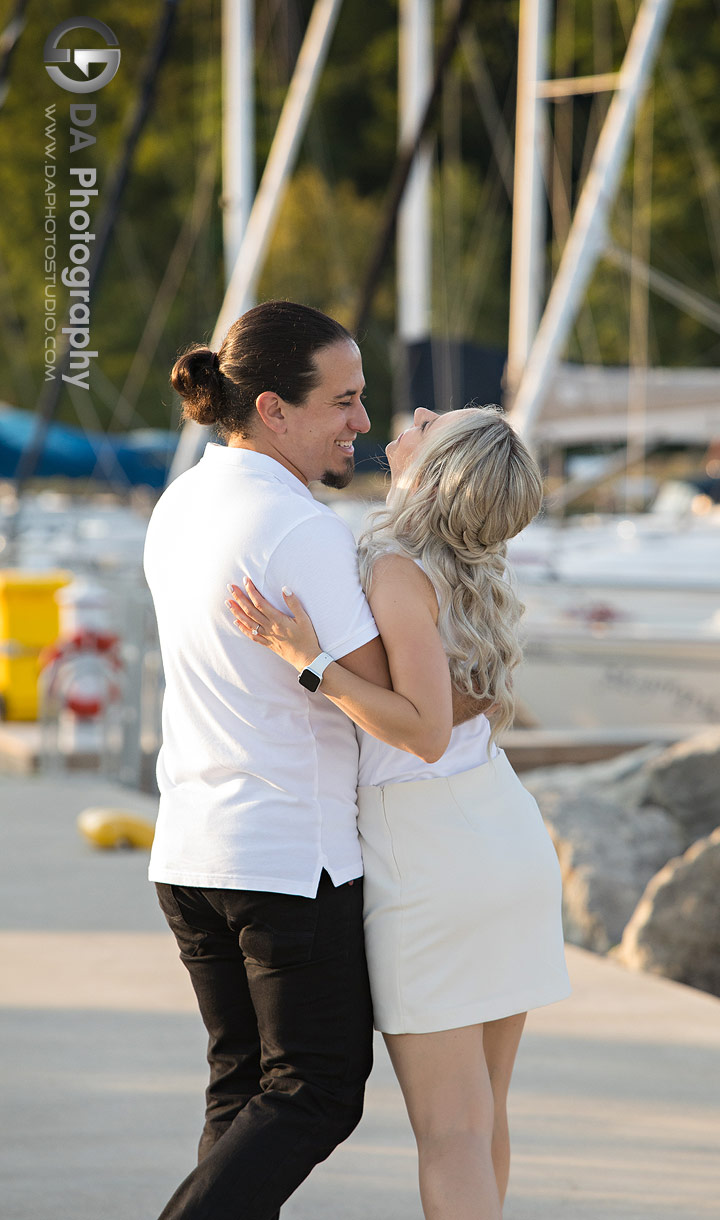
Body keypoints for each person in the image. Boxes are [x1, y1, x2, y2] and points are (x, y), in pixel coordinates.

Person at [227, 403, 571, 1220]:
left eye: (430, 422)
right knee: (482, 1111)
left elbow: (420, 732)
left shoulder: (394, 568)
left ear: (432, 470)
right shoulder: (469, 565)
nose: (409, 414)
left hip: (430, 856)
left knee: (451, 1131)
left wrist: (305, 661)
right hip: (501, 836)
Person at [143, 300, 390, 1220]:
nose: (362, 422)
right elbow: (392, 702)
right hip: (287, 858)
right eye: (345, 401)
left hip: (191, 850)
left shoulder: (183, 500)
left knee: (242, 1097)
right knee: (317, 1090)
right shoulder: (301, 529)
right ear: (275, 410)